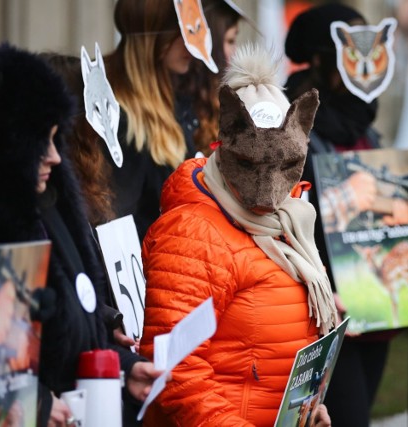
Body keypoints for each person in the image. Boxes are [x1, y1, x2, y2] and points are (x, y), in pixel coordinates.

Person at [0, 44, 161, 426]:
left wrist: (122, 367)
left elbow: (77, 327)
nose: (56, 157)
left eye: (55, 138)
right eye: (39, 141)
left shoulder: (48, 206)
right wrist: (36, 406)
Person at [139, 44, 335, 427]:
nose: (265, 193)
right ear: (223, 144)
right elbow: (177, 370)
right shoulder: (194, 234)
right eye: (249, 164)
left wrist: (305, 409)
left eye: (284, 165)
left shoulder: (289, 221)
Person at [284, 5, 401, 427]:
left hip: (373, 313)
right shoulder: (287, 126)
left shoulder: (365, 129)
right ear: (321, 58)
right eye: (350, 52)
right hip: (322, 314)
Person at [56, 0, 197, 244]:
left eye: (192, 30)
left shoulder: (171, 98)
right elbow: (120, 215)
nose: (189, 43)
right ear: (153, 36)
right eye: (179, 32)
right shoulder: (116, 115)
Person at [174, 0, 245, 156]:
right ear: (213, 42)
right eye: (230, 41)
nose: (236, 51)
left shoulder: (228, 99)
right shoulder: (182, 104)